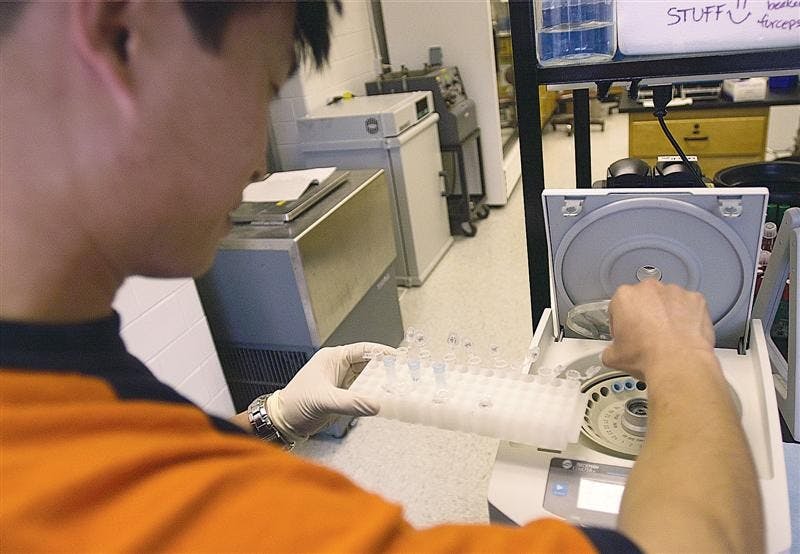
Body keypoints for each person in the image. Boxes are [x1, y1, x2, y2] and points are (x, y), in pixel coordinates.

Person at [0, 2, 763, 552]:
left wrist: (267, 420)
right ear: (121, 33)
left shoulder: (64, 420)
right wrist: (681, 355)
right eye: (264, 89)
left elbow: (140, 464)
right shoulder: (222, 523)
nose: (262, 160)